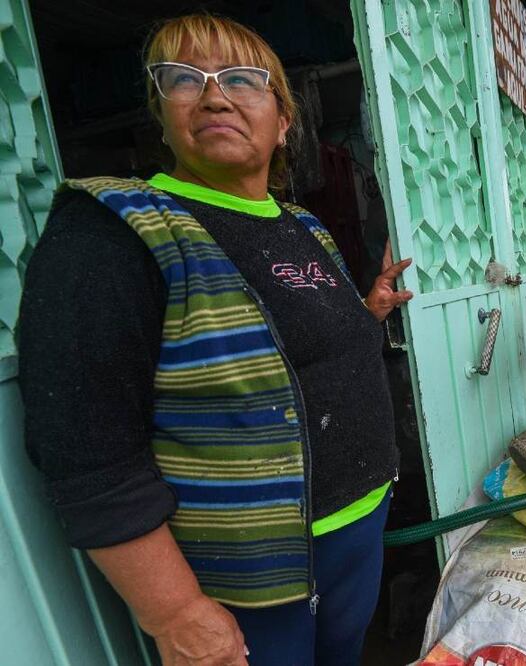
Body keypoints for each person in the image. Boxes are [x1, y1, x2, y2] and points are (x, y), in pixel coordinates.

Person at [18, 14, 412, 666]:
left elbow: (289, 354)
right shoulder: (114, 231)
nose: (215, 95)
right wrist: (172, 610)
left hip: (359, 532)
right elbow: (88, 454)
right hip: (252, 582)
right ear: (163, 110)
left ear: (284, 122)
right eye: (184, 79)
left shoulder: (303, 226)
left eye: (241, 79)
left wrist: (366, 312)